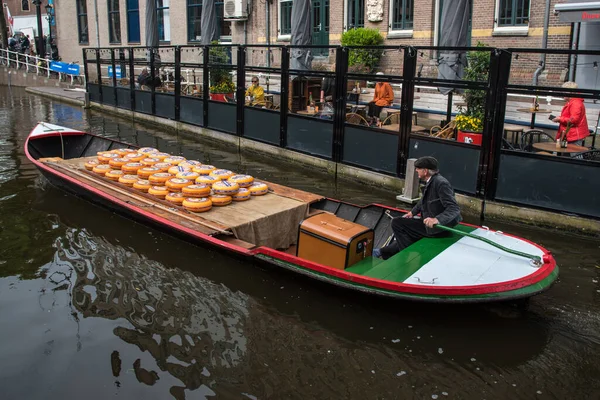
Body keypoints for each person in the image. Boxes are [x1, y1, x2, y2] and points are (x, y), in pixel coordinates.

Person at [373, 156, 462, 260]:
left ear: (425, 171)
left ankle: (404, 254)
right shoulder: (432, 180)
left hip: (437, 229)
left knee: (397, 223)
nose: (416, 170)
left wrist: (437, 220)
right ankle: (382, 252)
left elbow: (454, 208)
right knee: (406, 229)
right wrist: (412, 213)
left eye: (418, 168)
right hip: (428, 223)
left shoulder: (441, 183)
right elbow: (423, 201)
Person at [552, 81, 589, 146]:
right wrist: (559, 119)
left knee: (575, 155)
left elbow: (573, 120)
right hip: (570, 133)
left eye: (564, 91)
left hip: (574, 135)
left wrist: (560, 119)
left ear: (570, 92)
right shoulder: (572, 102)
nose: (562, 93)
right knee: (568, 154)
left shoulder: (575, 103)